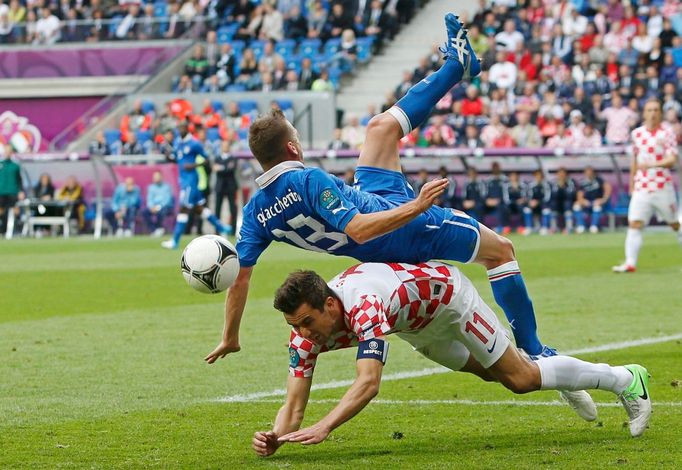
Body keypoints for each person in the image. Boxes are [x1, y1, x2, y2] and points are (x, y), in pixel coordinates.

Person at [208, 15, 564, 390]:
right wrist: (418, 206)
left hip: (376, 200)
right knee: (501, 252)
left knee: (381, 127)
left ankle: (458, 66)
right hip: (401, 228)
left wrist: (230, 335)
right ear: (292, 147)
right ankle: (534, 349)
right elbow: (359, 228)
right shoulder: (306, 179)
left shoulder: (254, 213)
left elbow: (240, 278)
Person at [251, 263, 651, 456]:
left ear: (330, 305)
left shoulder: (364, 305)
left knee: (520, 379)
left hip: (449, 300)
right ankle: (559, 375)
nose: (303, 334)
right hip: (416, 326)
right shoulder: (303, 334)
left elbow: (368, 382)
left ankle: (625, 379)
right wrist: (276, 438)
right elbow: (293, 404)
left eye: (307, 322)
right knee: (497, 375)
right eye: (294, 325)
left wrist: (324, 428)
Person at [613, 99, 682, 272]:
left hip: (662, 187)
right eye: (649, 110)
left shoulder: (667, 133)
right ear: (644, 113)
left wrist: (652, 165)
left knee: (676, 225)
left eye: (656, 110)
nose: (653, 113)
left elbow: (672, 159)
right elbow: (635, 160)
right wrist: (631, 184)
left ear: (660, 113)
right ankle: (630, 263)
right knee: (634, 223)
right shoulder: (637, 134)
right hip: (641, 187)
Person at [161, 122, 230, 249]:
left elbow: (206, 159)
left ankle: (175, 240)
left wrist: (193, 165)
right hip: (183, 179)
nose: (180, 130)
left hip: (191, 180)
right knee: (199, 208)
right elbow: (177, 158)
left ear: (187, 129)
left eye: (182, 128)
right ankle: (222, 228)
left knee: (183, 208)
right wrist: (169, 156)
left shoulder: (195, 143)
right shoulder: (178, 142)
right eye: (178, 128)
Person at [573, 166, 612, 234]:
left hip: (597, 202)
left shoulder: (599, 180)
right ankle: (581, 226)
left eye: (590, 172)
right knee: (576, 205)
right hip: (587, 202)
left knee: (597, 206)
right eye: (587, 172)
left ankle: (594, 227)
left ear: (593, 172)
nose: (589, 174)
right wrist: (582, 201)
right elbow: (579, 195)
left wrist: (603, 199)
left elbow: (608, 188)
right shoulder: (582, 182)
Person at [213, 140, 239, 233]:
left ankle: (233, 230)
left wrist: (221, 168)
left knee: (233, 209)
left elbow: (230, 169)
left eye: (226, 145)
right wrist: (225, 167)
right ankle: (217, 229)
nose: (225, 147)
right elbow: (218, 168)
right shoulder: (217, 158)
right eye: (223, 146)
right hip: (220, 187)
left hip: (231, 186)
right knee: (217, 209)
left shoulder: (233, 158)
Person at [0, 145, 24, 235]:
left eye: (9, 151)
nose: (7, 153)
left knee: (15, 210)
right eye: (6, 151)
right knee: (1, 211)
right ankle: (2, 229)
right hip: (1, 192)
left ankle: (17, 229)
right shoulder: (1, 164)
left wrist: (21, 191)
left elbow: (19, 180)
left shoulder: (15, 166)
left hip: (12, 191)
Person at [143, 171, 174, 237]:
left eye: (157, 177)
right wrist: (151, 207)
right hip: (153, 207)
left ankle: (159, 228)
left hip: (165, 207)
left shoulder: (167, 187)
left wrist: (158, 207)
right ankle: (153, 230)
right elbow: (149, 199)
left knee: (162, 211)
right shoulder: (151, 187)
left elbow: (167, 200)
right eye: (154, 177)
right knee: (144, 212)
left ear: (161, 177)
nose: (156, 179)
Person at [523, 169, 552, 235]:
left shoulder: (546, 185)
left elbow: (547, 198)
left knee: (546, 210)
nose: (538, 177)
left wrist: (538, 202)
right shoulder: (531, 186)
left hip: (543, 204)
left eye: (540, 176)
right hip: (533, 205)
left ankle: (544, 228)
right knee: (526, 209)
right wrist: (531, 202)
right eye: (537, 175)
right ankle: (529, 228)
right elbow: (529, 197)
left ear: (542, 176)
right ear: (534, 176)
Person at [551, 168, 577, 233]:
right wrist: (559, 187)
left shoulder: (571, 182)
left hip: (568, 203)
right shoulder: (554, 183)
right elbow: (553, 195)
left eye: (563, 173)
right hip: (557, 204)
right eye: (560, 173)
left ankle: (569, 227)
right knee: (553, 204)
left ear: (566, 174)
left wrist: (563, 187)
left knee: (567, 203)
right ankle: (554, 227)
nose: (561, 175)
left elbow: (571, 195)